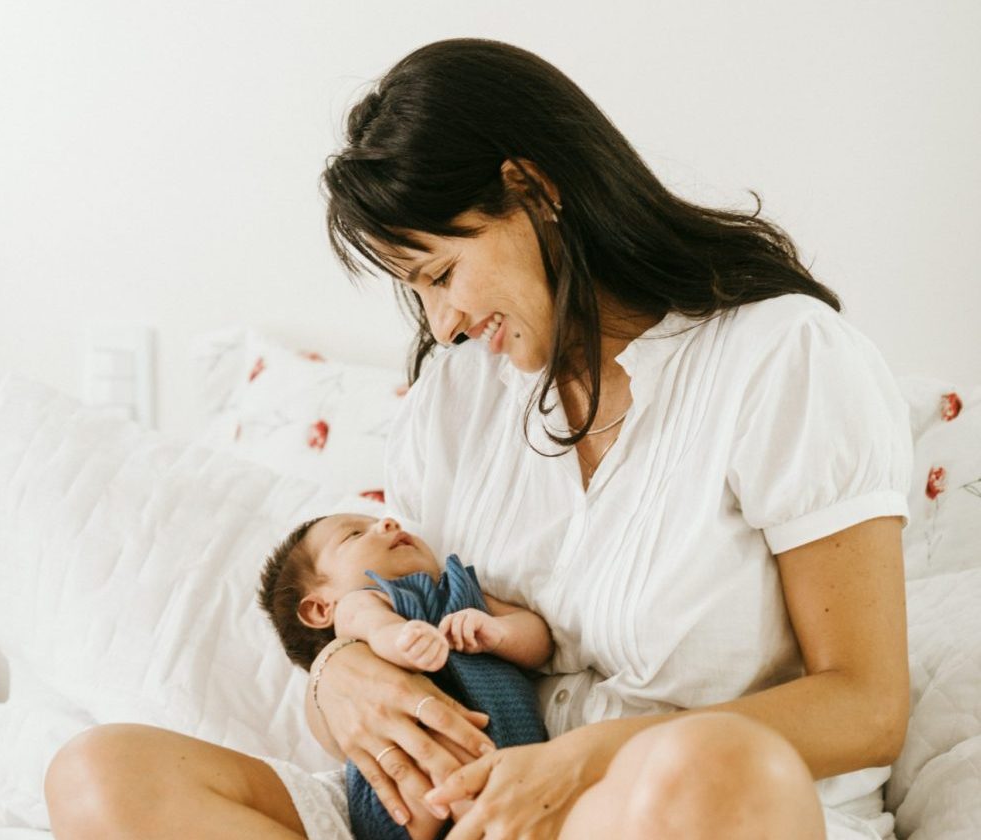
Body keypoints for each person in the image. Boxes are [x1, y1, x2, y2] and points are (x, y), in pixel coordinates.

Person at [45, 37, 912, 840]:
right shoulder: (454, 399)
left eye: (443, 274)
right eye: (416, 292)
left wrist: (586, 761)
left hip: (686, 809)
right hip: (478, 812)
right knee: (100, 774)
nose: (446, 322)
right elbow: (401, 620)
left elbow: (868, 706)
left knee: (709, 767)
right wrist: (338, 674)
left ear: (532, 189)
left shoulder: (782, 356)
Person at [257, 512, 552, 839]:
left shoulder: (460, 591)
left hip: (519, 764)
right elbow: (379, 629)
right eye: (354, 535)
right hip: (411, 791)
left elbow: (541, 643)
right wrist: (404, 640)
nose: (387, 523)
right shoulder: (360, 605)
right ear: (321, 608)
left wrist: (499, 633)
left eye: (378, 521)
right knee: (438, 777)